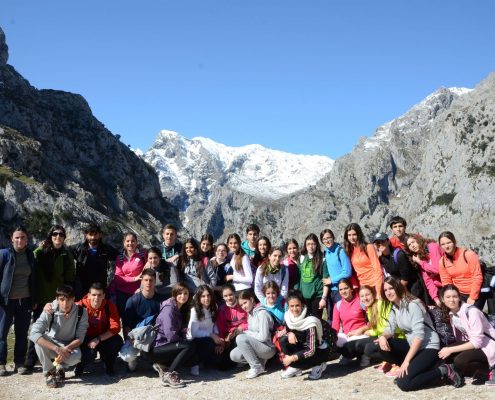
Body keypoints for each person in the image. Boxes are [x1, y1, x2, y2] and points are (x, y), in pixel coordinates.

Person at [376, 276, 462, 391]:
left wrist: (406, 362)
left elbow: (419, 337)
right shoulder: (394, 307)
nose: (388, 292)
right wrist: (382, 337)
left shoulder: (413, 304)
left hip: (428, 346)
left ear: (398, 287)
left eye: (391, 288)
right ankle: (412, 371)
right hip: (414, 346)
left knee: (404, 384)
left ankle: (444, 370)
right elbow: (390, 328)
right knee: (382, 346)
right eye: (385, 290)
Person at [26, 225, 76, 370]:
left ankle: (58, 359)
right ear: (50, 236)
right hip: (42, 297)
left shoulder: (66, 255)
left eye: (61, 234)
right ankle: (30, 360)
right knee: (37, 328)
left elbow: (70, 277)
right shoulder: (41, 251)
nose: (58, 237)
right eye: (55, 234)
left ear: (64, 237)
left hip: (59, 300)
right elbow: (31, 259)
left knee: (57, 330)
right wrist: (40, 248)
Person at [29, 285, 89, 388]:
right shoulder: (50, 309)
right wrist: (57, 348)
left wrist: (65, 349)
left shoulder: (82, 312)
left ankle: (60, 367)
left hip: (68, 344)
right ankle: (50, 373)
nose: (65, 303)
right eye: (61, 299)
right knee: (39, 341)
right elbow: (33, 333)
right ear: (57, 299)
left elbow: (80, 338)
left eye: (68, 299)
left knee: (76, 357)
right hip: (52, 342)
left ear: (73, 299)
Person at [438, 284, 495, 385]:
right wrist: (450, 350)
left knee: (459, 360)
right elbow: (461, 338)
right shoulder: (452, 314)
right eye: (448, 297)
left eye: (455, 296)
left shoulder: (472, 311)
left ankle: (489, 370)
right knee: (444, 353)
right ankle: (462, 372)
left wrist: (451, 350)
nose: (452, 300)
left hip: (489, 346)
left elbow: (477, 342)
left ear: (459, 297)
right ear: (442, 299)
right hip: (476, 345)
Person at [0, 226, 35, 376]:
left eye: (23, 237)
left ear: (27, 240)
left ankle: (19, 362)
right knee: (1, 333)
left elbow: (33, 279)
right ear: (11, 239)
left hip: (25, 300)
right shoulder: (4, 255)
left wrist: (34, 299)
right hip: (6, 301)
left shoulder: (30, 255)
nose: (20, 240)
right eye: (17, 237)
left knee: (22, 333)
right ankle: (1, 363)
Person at [147, 282, 196, 388]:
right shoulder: (169, 309)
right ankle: (168, 375)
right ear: (174, 294)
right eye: (180, 293)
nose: (183, 296)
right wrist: (182, 339)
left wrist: (182, 332)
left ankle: (163, 366)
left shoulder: (177, 307)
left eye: (186, 293)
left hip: (165, 344)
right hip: (158, 348)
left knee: (191, 344)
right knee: (188, 346)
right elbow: (170, 335)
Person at [278, 289, 330, 380]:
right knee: (283, 340)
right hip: (303, 346)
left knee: (308, 352)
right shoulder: (288, 316)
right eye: (292, 306)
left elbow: (311, 350)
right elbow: (288, 328)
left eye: (297, 305)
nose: (294, 309)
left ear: (302, 304)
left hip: (318, 350)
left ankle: (319, 364)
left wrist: (292, 358)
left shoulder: (310, 321)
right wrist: (290, 333)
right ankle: (296, 367)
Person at [74, 282, 123, 376]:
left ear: (104, 295)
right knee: (89, 354)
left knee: (116, 341)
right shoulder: (80, 306)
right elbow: (64, 306)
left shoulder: (109, 306)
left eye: (99, 295)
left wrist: (98, 339)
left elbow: (116, 327)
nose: (96, 298)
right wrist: (50, 305)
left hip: (102, 336)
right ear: (88, 295)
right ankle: (81, 364)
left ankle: (109, 363)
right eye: (93, 295)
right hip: (86, 337)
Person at [122, 269, 164, 371]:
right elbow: (126, 324)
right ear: (141, 281)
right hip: (136, 336)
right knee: (127, 356)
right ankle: (133, 360)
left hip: (153, 336)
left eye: (151, 280)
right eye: (145, 280)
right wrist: (131, 340)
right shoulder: (133, 300)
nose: (148, 283)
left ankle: (152, 358)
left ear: (155, 281)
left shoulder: (161, 300)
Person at [230, 290, 276, 378]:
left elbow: (263, 337)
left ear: (251, 299)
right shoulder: (250, 314)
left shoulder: (262, 313)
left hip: (268, 348)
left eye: (245, 303)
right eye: (241, 305)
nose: (243, 306)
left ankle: (256, 367)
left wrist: (247, 333)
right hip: (258, 346)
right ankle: (260, 362)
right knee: (234, 355)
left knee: (240, 338)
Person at [71, 222, 118, 300]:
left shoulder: (106, 249)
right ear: (86, 235)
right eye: (90, 235)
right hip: (82, 289)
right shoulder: (78, 249)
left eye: (95, 234)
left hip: (99, 289)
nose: (93, 237)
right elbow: (63, 251)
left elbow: (122, 256)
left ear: (100, 235)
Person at [438, 231, 484, 310]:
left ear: (455, 242)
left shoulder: (468, 255)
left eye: (449, 242)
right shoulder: (442, 262)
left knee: (472, 314)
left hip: (475, 291)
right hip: (458, 294)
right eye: (443, 244)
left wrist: (472, 297)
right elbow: (446, 282)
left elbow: (477, 276)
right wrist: (451, 298)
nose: (446, 246)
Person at [331, 279, 369, 367]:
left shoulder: (361, 301)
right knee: (335, 339)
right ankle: (347, 355)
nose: (343, 291)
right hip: (347, 335)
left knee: (353, 343)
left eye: (346, 288)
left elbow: (372, 321)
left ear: (351, 289)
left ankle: (365, 355)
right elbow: (335, 325)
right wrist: (332, 338)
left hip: (361, 334)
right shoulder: (338, 305)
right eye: (341, 289)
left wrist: (361, 330)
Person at [187, 285, 224, 375]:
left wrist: (217, 336)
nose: (206, 298)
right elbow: (194, 332)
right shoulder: (195, 310)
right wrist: (212, 335)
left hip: (210, 337)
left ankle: (204, 361)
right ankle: (194, 362)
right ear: (199, 298)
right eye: (203, 296)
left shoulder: (214, 306)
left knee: (222, 363)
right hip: (195, 340)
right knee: (209, 343)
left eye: (208, 295)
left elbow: (214, 323)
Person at [373, 232, 421, 297]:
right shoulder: (381, 259)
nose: (380, 244)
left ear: (388, 242)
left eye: (382, 241)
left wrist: (395, 291)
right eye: (377, 243)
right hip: (400, 289)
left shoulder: (399, 255)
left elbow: (405, 278)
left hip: (413, 288)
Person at [320, 229, 352, 324]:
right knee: (332, 317)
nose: (327, 240)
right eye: (324, 239)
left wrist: (332, 280)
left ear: (333, 237)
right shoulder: (326, 252)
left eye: (329, 237)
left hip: (341, 290)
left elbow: (347, 272)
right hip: (331, 291)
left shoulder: (340, 251)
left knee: (343, 316)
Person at [112, 232, 146, 317]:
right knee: (125, 319)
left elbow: (151, 264)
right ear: (124, 243)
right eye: (127, 241)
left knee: (137, 318)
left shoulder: (142, 254)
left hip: (139, 292)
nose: (130, 243)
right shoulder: (120, 258)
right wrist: (134, 278)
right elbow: (118, 278)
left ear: (136, 242)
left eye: (133, 241)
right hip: (122, 294)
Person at [294, 233, 328, 319]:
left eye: (313, 244)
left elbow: (326, 280)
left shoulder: (322, 259)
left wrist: (324, 298)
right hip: (304, 296)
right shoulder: (301, 258)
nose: (311, 246)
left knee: (315, 321)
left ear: (317, 245)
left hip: (317, 296)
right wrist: (296, 294)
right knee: (304, 320)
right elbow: (297, 278)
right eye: (308, 244)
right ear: (305, 245)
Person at [215, 283, 248, 369]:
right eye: (225, 296)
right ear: (222, 297)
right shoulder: (221, 309)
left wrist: (239, 328)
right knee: (222, 365)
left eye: (230, 294)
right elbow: (221, 328)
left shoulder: (242, 304)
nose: (228, 298)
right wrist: (221, 343)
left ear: (235, 293)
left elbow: (250, 320)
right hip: (228, 337)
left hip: (242, 333)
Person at [343, 223, 382, 296]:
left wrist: (379, 291)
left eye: (354, 234)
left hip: (374, 285)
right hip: (363, 288)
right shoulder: (349, 252)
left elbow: (378, 269)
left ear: (359, 235)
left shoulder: (368, 247)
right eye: (349, 235)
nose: (352, 237)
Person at [405, 234, 443, 306]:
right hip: (440, 288)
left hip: (451, 283)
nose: (412, 246)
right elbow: (428, 280)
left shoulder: (432, 247)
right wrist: (435, 298)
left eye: (413, 242)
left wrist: (420, 262)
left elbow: (437, 270)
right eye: (409, 245)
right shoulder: (420, 257)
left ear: (418, 240)